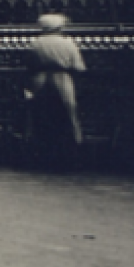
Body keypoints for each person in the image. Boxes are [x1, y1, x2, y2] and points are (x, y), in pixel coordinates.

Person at [25, 13, 86, 168]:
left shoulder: (35, 43)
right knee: (69, 114)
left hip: (39, 80)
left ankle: (38, 153)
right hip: (62, 79)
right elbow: (79, 67)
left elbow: (29, 65)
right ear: (59, 27)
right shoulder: (67, 43)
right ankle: (73, 153)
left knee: (39, 116)